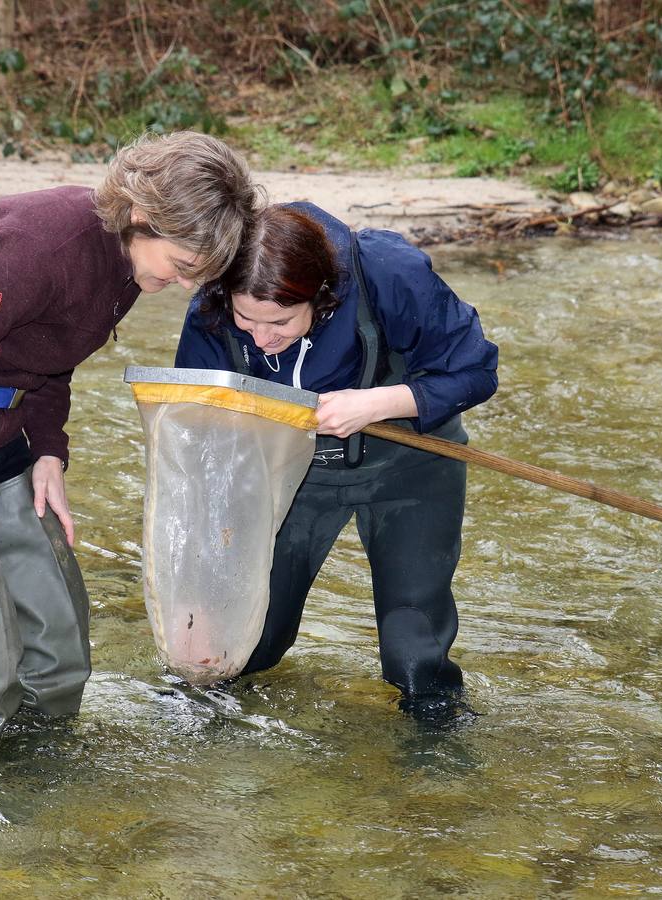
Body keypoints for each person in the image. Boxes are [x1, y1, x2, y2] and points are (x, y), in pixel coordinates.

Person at [0, 131, 259, 751]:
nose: (181, 284)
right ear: (140, 215)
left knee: (60, 652)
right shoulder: (37, 250)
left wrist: (47, 452)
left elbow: (52, 355)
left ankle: (34, 779)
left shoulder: (131, 265)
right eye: (182, 265)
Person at [174, 202, 498, 717]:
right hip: (287, 473)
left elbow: (476, 372)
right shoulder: (212, 305)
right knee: (244, 645)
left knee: (414, 653)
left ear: (322, 295)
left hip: (410, 464)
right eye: (246, 320)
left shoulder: (387, 274)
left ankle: (436, 746)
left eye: (281, 322)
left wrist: (376, 404)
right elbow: (201, 435)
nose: (261, 339)